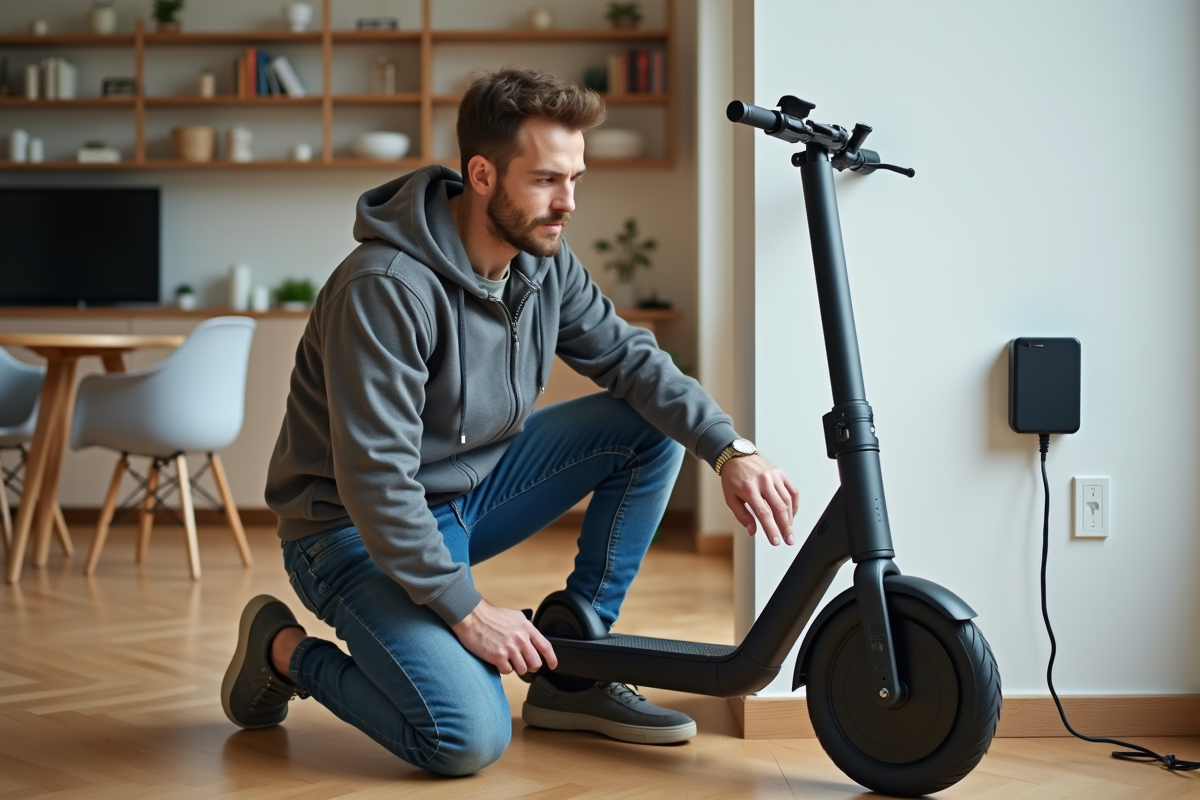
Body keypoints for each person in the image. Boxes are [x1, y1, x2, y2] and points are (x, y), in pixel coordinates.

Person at [221, 67, 799, 776]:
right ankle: (282, 650)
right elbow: (375, 482)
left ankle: (571, 675)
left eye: (576, 179)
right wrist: (468, 610)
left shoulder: (540, 260)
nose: (569, 203)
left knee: (649, 426)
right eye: (548, 180)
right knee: (465, 738)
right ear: (483, 174)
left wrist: (730, 447)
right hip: (347, 532)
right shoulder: (384, 289)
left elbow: (631, 359)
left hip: (465, 499)